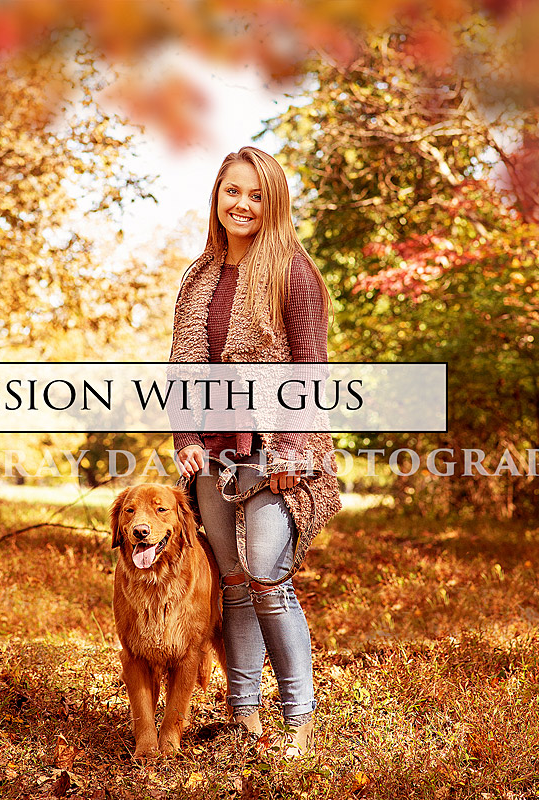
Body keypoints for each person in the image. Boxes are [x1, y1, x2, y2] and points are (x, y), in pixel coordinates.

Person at [169, 146, 342, 758]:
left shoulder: (293, 271)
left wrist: (295, 447)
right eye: (231, 192)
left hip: (277, 448)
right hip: (215, 450)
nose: (241, 204)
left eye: (255, 194)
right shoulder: (199, 276)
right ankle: (243, 714)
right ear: (216, 197)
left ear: (274, 202)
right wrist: (187, 439)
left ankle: (298, 720)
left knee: (269, 578)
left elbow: (311, 369)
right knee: (233, 580)